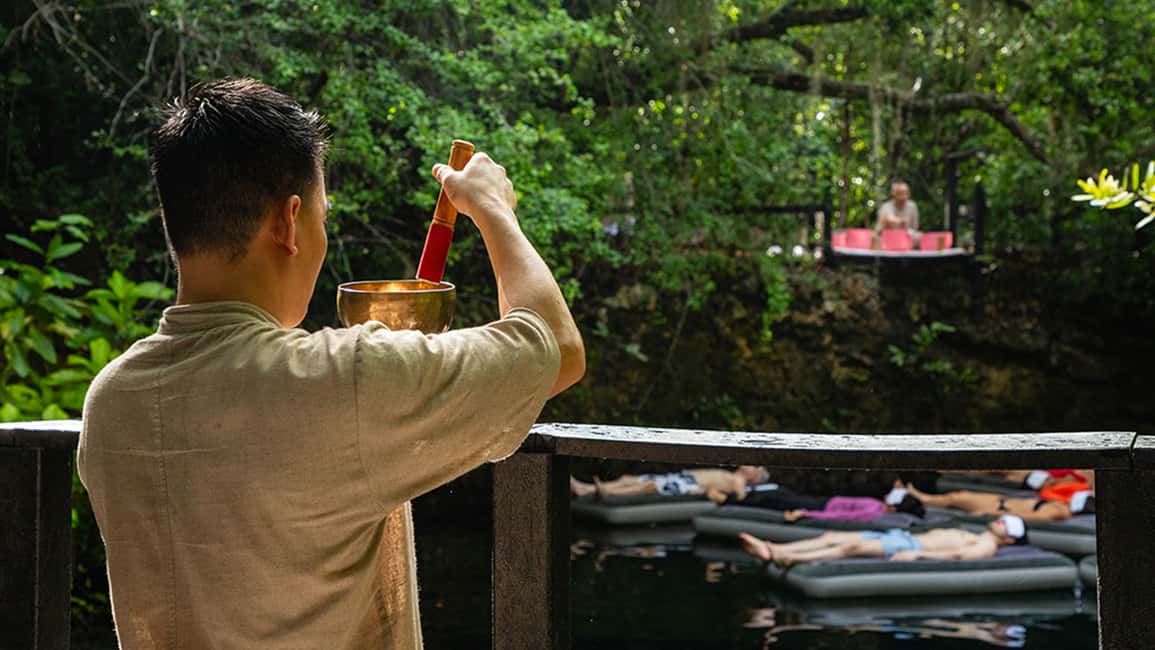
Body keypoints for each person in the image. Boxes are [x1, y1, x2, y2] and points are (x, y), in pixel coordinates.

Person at [77, 78, 585, 649]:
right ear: (288, 223)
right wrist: (493, 209)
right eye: (322, 215)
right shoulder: (342, 381)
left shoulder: (112, 401)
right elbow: (555, 348)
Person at [738, 514, 1028, 565]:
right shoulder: (978, 533)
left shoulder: (986, 545)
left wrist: (919, 556)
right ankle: (775, 546)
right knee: (832, 535)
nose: (1000, 521)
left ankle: (784, 557)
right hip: (900, 536)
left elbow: (960, 558)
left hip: (909, 546)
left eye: (1006, 524)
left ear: (1010, 541)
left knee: (851, 547)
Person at [906, 481, 1094, 522]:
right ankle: (923, 498)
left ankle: (923, 499)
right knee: (959, 495)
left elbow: (1025, 516)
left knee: (957, 497)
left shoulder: (1057, 512)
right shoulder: (1062, 507)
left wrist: (991, 514)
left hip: (1000, 507)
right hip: (1003, 502)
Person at [569, 465, 770, 502]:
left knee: (649, 487)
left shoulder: (739, 481)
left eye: (755, 467)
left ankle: (607, 494)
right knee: (628, 479)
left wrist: (711, 493)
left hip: (686, 486)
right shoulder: (729, 473)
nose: (750, 464)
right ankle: (585, 488)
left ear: (753, 476)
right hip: (681, 478)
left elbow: (740, 498)